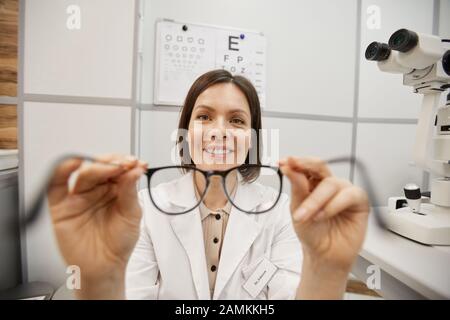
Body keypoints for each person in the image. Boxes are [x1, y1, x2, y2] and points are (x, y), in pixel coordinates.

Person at [47, 70, 369, 300]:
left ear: (252, 139)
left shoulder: (282, 212)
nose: (219, 131)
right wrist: (100, 282)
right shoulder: (144, 208)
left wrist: (326, 270)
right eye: (204, 116)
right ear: (185, 132)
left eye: (237, 120)